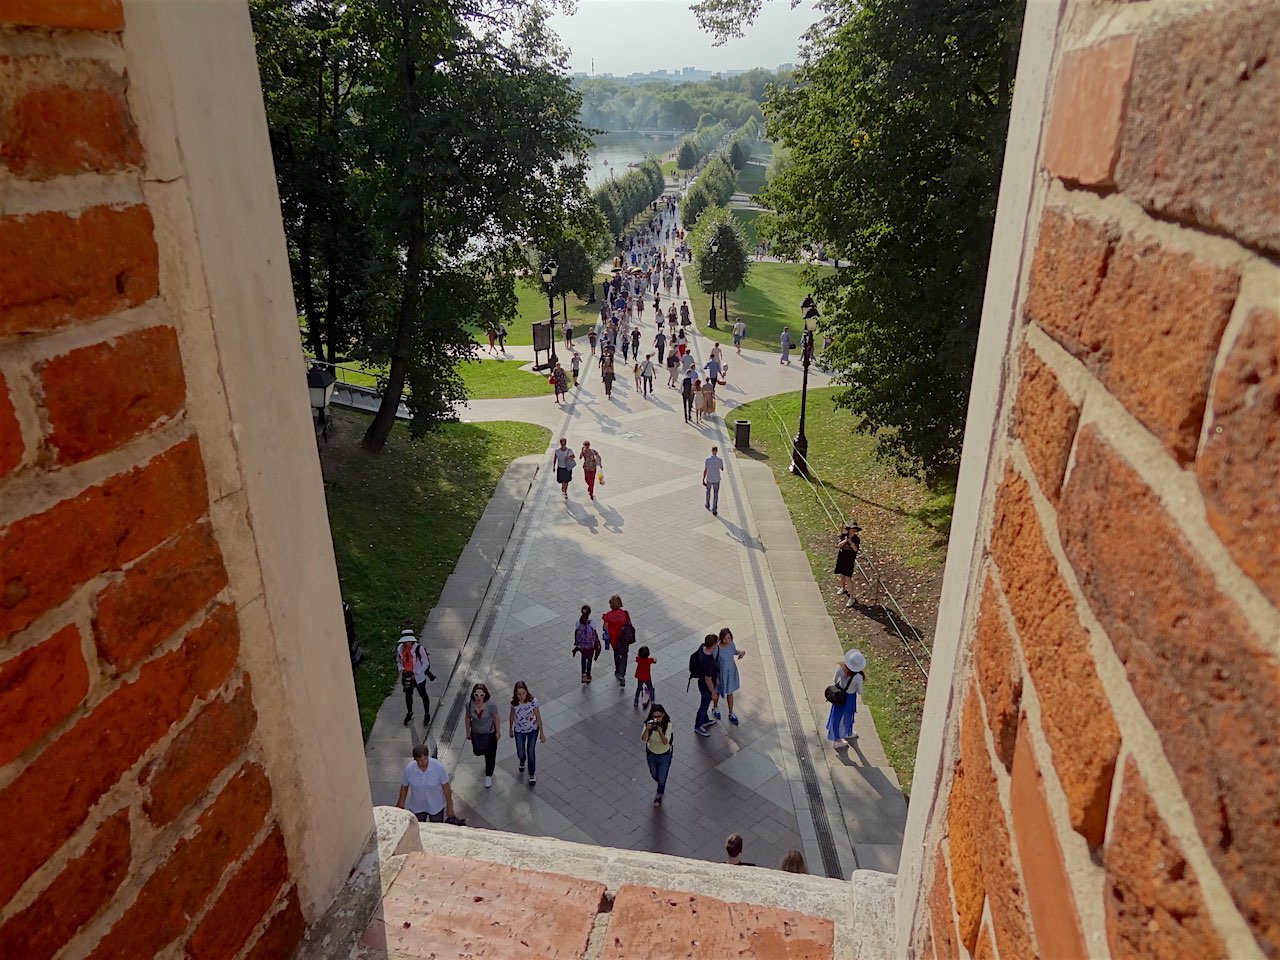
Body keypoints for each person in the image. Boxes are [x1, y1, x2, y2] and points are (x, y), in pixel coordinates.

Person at [396, 744, 454, 823]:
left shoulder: (438, 767)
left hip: (436, 806)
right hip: (417, 806)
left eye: (425, 759)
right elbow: (404, 787)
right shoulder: (409, 769)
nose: (423, 762)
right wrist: (401, 803)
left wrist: (449, 805)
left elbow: (446, 787)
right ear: (415, 759)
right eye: (420, 760)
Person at [396, 625, 436, 727]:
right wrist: (402, 669)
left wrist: (417, 673)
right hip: (407, 676)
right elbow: (398, 661)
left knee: (423, 695)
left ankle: (427, 713)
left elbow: (425, 663)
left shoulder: (419, 649)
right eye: (404, 641)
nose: (406, 643)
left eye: (408, 641)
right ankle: (410, 713)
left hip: (418, 678)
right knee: (408, 695)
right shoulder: (400, 649)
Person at [463, 683, 501, 787]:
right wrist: (468, 731)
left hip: (490, 733)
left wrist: (497, 731)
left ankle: (488, 775)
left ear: (485, 695)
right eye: (476, 695)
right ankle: (485, 754)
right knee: (477, 751)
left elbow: (496, 718)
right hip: (476, 733)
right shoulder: (469, 704)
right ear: (473, 694)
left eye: (481, 695)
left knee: (490, 755)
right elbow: (467, 718)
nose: (479, 697)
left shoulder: (491, 705)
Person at [826, 649, 866, 745]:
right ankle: (847, 732)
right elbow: (860, 692)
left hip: (839, 695)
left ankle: (836, 737)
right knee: (848, 715)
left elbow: (835, 680)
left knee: (837, 715)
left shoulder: (840, 668)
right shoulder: (858, 677)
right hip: (850, 697)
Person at [509, 681, 546, 785]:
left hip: (532, 730)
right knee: (521, 751)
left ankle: (531, 774)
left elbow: (538, 717)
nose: (522, 696)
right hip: (519, 730)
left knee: (531, 751)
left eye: (523, 693)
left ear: (527, 692)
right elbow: (511, 716)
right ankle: (522, 760)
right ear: (516, 694)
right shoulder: (513, 704)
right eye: (519, 694)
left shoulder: (533, 701)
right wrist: (510, 729)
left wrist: (542, 733)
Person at [711, 627, 746, 725]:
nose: (727, 641)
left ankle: (731, 712)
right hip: (720, 674)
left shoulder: (731, 644)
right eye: (725, 639)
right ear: (721, 638)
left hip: (730, 673)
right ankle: (715, 707)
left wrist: (740, 652)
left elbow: (734, 651)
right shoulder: (717, 649)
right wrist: (716, 677)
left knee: (730, 693)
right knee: (717, 692)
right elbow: (713, 663)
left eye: (729, 638)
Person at [642, 703, 673, 807]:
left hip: (665, 754)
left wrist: (660, 731)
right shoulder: (648, 724)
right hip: (651, 753)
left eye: (658, 717)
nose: (656, 719)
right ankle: (660, 783)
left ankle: (659, 795)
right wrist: (647, 728)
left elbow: (665, 742)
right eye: (654, 717)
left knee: (661, 778)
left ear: (663, 715)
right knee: (654, 774)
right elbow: (644, 739)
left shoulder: (667, 725)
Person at [602, 594, 634, 687]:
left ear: (611, 605)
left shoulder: (608, 616)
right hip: (625, 639)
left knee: (616, 654)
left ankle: (617, 671)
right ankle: (622, 674)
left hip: (615, 639)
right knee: (624, 656)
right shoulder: (625, 613)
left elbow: (605, 628)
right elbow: (630, 624)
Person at [692, 634, 719, 735]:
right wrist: (713, 692)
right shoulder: (708, 661)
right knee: (704, 705)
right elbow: (708, 679)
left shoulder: (702, 647)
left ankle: (705, 719)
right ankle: (698, 725)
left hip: (701, 682)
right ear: (713, 645)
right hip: (706, 686)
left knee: (705, 704)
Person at [835, 523, 862, 607]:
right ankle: (843, 587)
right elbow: (838, 546)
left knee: (848, 577)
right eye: (852, 528)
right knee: (842, 574)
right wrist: (845, 540)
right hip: (842, 557)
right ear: (849, 529)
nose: (854, 530)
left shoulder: (856, 539)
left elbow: (855, 549)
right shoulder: (843, 536)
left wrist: (850, 542)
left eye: (855, 529)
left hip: (850, 559)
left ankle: (851, 597)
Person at [572, 605, 601, 683]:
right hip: (590, 645)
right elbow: (595, 633)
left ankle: (583, 674)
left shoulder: (578, 622)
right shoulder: (592, 622)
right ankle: (588, 675)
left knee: (583, 658)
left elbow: (576, 632)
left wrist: (576, 642)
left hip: (581, 645)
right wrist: (597, 643)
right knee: (590, 659)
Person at [703, 445, 724, 516]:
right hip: (717, 479)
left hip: (709, 478)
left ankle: (707, 504)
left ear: (712, 451)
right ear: (717, 451)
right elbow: (722, 468)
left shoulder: (707, 460)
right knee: (716, 494)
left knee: (708, 491)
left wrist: (703, 479)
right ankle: (714, 509)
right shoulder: (719, 460)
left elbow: (705, 470)